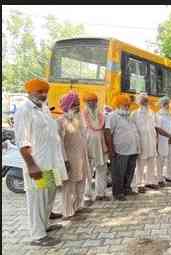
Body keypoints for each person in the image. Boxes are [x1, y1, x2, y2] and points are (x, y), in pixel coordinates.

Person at [14, 78, 68, 246]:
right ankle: (37, 236)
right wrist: (31, 164)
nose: (44, 95)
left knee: (49, 196)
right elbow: (22, 141)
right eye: (40, 92)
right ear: (29, 92)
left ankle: (45, 226)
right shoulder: (24, 111)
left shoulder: (44, 109)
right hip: (37, 164)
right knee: (37, 199)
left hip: (51, 162)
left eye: (46, 92)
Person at [58, 91, 92, 221]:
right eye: (75, 104)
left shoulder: (79, 119)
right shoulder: (60, 121)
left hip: (82, 156)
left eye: (78, 104)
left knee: (81, 182)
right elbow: (60, 144)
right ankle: (67, 212)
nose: (78, 107)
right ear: (68, 105)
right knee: (69, 186)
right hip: (70, 158)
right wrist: (65, 160)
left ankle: (77, 207)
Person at [105, 95, 141, 201]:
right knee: (118, 172)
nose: (128, 107)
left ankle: (127, 189)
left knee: (130, 171)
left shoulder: (129, 116)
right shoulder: (112, 116)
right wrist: (111, 150)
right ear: (119, 105)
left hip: (133, 149)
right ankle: (118, 193)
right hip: (119, 151)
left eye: (129, 105)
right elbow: (108, 133)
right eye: (126, 105)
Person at [81, 92, 110, 201]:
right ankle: (87, 195)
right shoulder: (81, 115)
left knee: (102, 169)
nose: (92, 103)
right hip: (88, 146)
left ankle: (100, 193)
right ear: (86, 102)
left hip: (100, 145)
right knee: (88, 171)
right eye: (89, 101)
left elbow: (104, 130)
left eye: (94, 101)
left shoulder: (101, 114)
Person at [131, 93, 159, 193]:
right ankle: (139, 184)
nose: (145, 102)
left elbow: (155, 127)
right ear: (139, 102)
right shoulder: (134, 114)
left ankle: (150, 181)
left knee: (151, 162)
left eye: (146, 100)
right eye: (143, 100)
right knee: (140, 164)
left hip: (151, 141)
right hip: (141, 142)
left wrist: (157, 141)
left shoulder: (152, 112)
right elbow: (133, 130)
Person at [156, 96, 171, 184]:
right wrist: (169, 136)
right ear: (161, 104)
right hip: (162, 140)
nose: (167, 105)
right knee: (161, 159)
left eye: (168, 103)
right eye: (165, 103)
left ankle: (170, 175)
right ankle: (159, 178)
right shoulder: (158, 115)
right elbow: (158, 128)